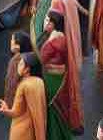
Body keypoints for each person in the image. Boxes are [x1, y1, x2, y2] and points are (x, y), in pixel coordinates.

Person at [36, 11, 82, 140]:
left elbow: (41, 58)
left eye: (47, 21)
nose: (45, 23)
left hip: (53, 80)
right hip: (55, 76)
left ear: (53, 24)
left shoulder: (56, 41)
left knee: (54, 108)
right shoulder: (57, 36)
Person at [0, 53, 45, 140]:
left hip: (20, 130)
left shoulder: (23, 85)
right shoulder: (39, 82)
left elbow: (16, 112)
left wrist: (5, 110)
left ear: (27, 69)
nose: (17, 67)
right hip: (31, 129)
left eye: (20, 64)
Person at [2, 33, 32, 103]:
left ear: (18, 46)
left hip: (15, 102)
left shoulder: (15, 61)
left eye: (12, 39)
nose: (10, 42)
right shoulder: (28, 57)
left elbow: (10, 85)